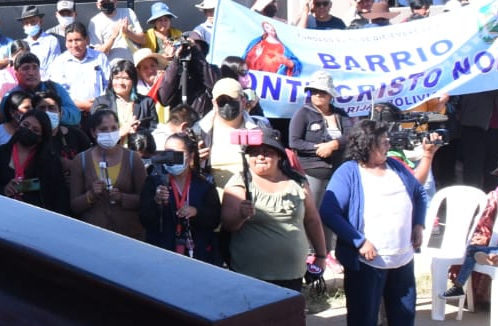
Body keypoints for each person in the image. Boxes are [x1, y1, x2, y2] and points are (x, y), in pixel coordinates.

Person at [319, 119, 429, 326]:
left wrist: (419, 225)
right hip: (367, 259)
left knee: (404, 311)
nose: (389, 146)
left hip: (402, 255)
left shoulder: (395, 166)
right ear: (367, 146)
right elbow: (329, 211)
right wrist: (358, 241)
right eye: (383, 143)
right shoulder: (348, 172)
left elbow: (419, 193)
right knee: (364, 316)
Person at [222, 129, 328, 291]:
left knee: (287, 316)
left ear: (279, 155)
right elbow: (228, 225)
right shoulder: (239, 183)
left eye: (267, 152)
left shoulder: (298, 182)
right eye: (254, 152)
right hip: (251, 273)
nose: (260, 156)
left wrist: (321, 256)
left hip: (293, 274)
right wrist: (241, 215)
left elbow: (312, 220)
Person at [139, 133, 221, 263]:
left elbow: (215, 219)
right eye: (167, 153)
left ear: (190, 157)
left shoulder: (205, 183)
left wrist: (196, 212)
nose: (172, 158)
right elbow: (144, 219)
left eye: (177, 153)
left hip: (197, 252)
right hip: (162, 251)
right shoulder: (153, 181)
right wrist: (156, 201)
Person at [68, 108, 146, 239]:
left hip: (129, 236)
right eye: (103, 129)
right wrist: (90, 195)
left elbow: (145, 200)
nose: (109, 133)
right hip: (94, 237)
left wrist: (122, 197)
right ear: (93, 132)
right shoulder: (81, 160)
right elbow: (74, 205)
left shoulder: (133, 159)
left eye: (114, 128)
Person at [288, 70, 349, 224]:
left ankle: (328, 247)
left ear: (330, 95)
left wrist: (334, 144)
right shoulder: (303, 113)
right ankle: (309, 247)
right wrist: (318, 148)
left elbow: (352, 135)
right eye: (313, 91)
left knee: (333, 214)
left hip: (337, 172)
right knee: (311, 214)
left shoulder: (340, 114)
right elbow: (294, 142)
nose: (317, 95)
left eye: (322, 92)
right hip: (312, 172)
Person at [0, 107, 71, 213]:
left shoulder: (50, 161)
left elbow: (59, 198)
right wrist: (4, 190)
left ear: (41, 137)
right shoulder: (0, 152)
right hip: (1, 213)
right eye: (25, 125)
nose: (29, 130)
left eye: (35, 130)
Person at [47, 21, 108, 114]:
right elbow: (59, 92)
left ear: (87, 40)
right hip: (72, 112)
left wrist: (97, 103)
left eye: (78, 40)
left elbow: (108, 84)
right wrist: (81, 105)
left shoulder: (99, 58)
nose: (74, 45)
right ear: (66, 43)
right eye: (70, 41)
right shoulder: (59, 62)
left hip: (99, 111)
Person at [89, 0, 142, 64]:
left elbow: (143, 40)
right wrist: (114, 35)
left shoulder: (128, 12)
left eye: (108, 2)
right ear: (98, 5)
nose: (106, 5)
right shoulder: (94, 22)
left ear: (115, 1)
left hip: (134, 65)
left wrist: (127, 32)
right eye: (103, 3)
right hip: (112, 67)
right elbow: (98, 53)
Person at [17, 3, 62, 67]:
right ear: (23, 25)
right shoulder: (21, 44)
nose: (30, 25)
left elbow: (54, 67)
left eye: (33, 21)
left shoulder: (51, 41)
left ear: (40, 21)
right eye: (26, 22)